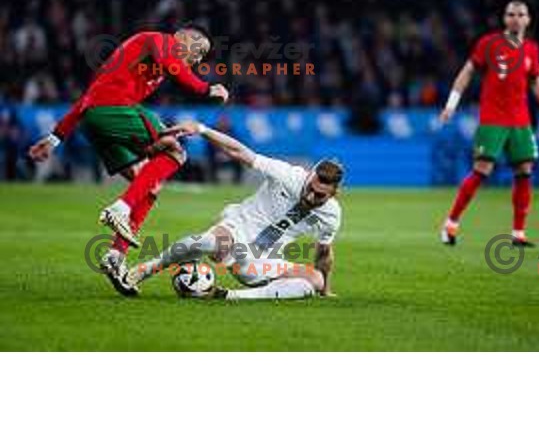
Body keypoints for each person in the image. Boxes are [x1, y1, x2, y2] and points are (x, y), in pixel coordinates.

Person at [28, 27, 229, 289]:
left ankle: (115, 256)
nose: (199, 59)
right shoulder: (158, 40)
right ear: (184, 38)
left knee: (149, 185)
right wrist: (206, 89)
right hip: (114, 108)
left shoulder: (137, 66)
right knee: (175, 150)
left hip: (95, 118)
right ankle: (120, 208)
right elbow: (172, 66)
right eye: (199, 50)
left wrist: (55, 138)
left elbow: (86, 99)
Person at [110, 120, 343, 300]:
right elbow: (239, 152)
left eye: (320, 195)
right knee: (206, 242)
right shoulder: (287, 175)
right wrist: (202, 129)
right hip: (237, 230)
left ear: (333, 193)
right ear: (309, 176)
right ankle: (143, 270)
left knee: (314, 281)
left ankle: (229, 296)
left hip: (263, 260)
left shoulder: (331, 215)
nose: (311, 196)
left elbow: (324, 253)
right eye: (310, 188)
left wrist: (326, 289)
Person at [439, 1, 539, 246]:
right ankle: (450, 224)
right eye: (511, 14)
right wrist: (451, 104)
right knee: (482, 170)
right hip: (492, 120)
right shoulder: (489, 44)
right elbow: (467, 72)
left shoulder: (531, 49)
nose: (516, 18)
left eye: (521, 14)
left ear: (528, 19)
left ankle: (518, 233)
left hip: (520, 122)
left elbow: (537, 85)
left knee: (524, 171)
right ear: (504, 18)